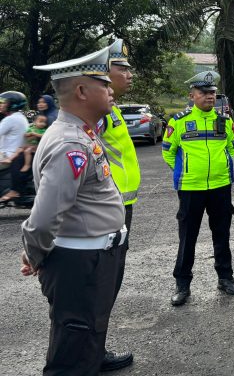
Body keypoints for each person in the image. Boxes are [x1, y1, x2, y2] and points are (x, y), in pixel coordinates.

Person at [21, 46, 126, 376]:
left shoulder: (83, 131)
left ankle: (94, 358)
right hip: (81, 264)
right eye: (103, 84)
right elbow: (43, 218)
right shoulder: (70, 143)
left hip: (92, 258)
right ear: (81, 91)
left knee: (86, 333)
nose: (111, 90)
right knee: (73, 348)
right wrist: (34, 256)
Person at [162, 71, 234, 306]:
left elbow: (232, 148)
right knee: (188, 237)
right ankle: (182, 284)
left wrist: (220, 169)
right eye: (204, 92)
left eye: (212, 93)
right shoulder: (179, 121)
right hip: (190, 188)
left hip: (220, 186)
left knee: (222, 234)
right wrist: (186, 171)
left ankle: (225, 278)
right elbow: (168, 152)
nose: (209, 96)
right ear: (192, 95)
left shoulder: (225, 121)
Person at [95, 39, 139, 370]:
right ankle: (91, 353)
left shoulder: (112, 109)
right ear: (103, 71)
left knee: (111, 280)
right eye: (122, 67)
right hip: (108, 209)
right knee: (102, 282)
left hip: (120, 206)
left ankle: (94, 349)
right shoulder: (99, 113)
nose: (129, 73)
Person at [0, 91, 32, 205]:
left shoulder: (10, 119)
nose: (0, 104)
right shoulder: (20, 117)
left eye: (3, 102)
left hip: (7, 155)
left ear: (12, 104)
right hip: (13, 153)